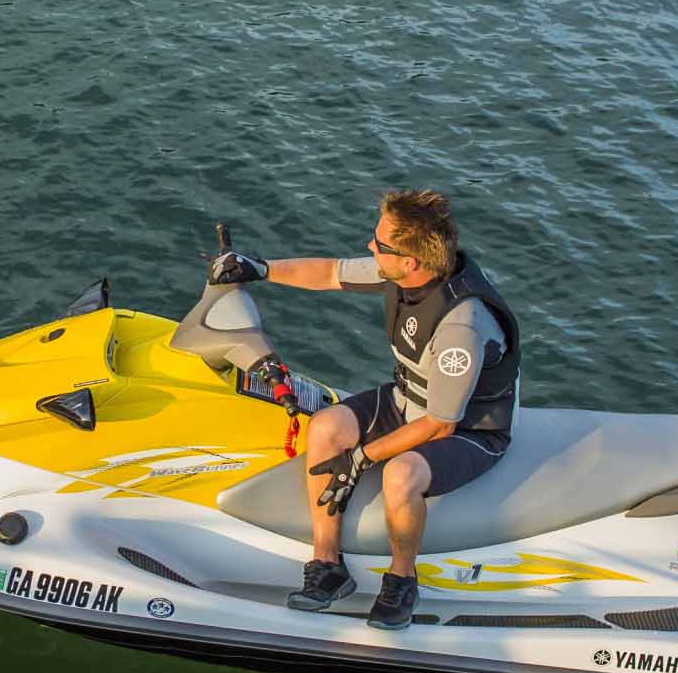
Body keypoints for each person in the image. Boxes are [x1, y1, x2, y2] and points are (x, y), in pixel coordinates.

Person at [208, 190, 520, 632]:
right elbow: (330, 273)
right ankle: (328, 566)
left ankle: (402, 581)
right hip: (409, 398)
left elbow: (440, 423)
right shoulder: (407, 271)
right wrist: (259, 268)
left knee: (401, 475)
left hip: (470, 428)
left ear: (410, 262)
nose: (370, 247)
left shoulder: (461, 326)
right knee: (325, 427)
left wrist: (361, 457)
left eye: (380, 244)